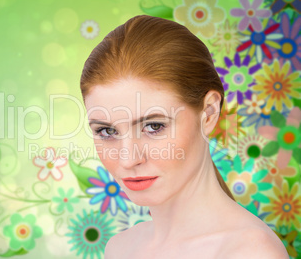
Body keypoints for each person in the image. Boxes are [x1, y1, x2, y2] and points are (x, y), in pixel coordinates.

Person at [80, 15, 288, 258]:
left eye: (154, 126)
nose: (128, 159)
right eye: (107, 131)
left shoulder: (250, 252)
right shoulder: (119, 248)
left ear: (209, 113)